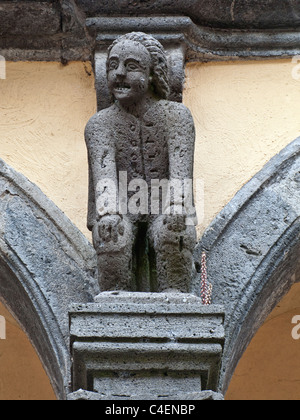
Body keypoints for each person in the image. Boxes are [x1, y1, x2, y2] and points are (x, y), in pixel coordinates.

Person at [85, 32, 197, 293]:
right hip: (123, 206)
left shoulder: (176, 117)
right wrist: (110, 214)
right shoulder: (100, 125)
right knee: (111, 235)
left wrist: (177, 208)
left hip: (163, 205)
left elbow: (181, 176)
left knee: (175, 232)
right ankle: (115, 296)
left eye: (131, 66)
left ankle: (174, 295)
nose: (119, 73)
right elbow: (104, 182)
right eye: (113, 66)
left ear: (151, 75)